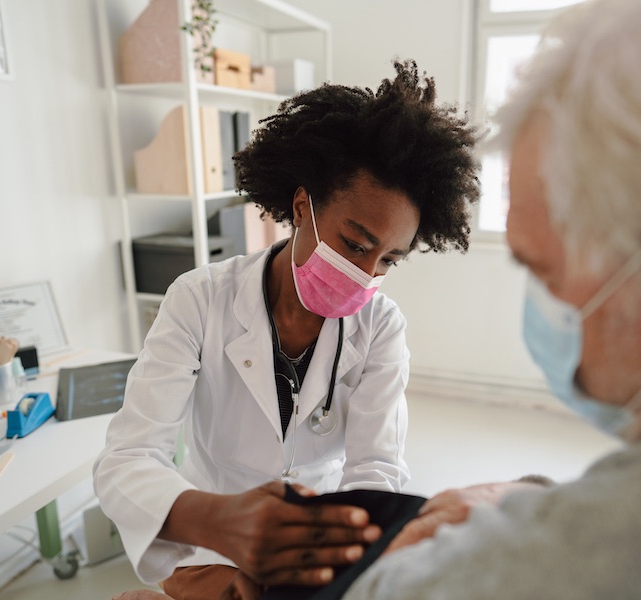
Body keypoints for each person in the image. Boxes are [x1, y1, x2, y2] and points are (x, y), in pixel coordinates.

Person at [338, 0, 641, 598]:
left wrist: (499, 542)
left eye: (545, 272)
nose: (543, 309)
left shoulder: (557, 566)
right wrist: (539, 498)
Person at [95, 59, 480, 600]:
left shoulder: (381, 326)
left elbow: (375, 467)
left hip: (317, 544)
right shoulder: (199, 298)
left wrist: (350, 550)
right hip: (207, 540)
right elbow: (128, 457)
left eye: (389, 260)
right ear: (302, 207)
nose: (365, 275)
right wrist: (216, 521)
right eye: (355, 244)